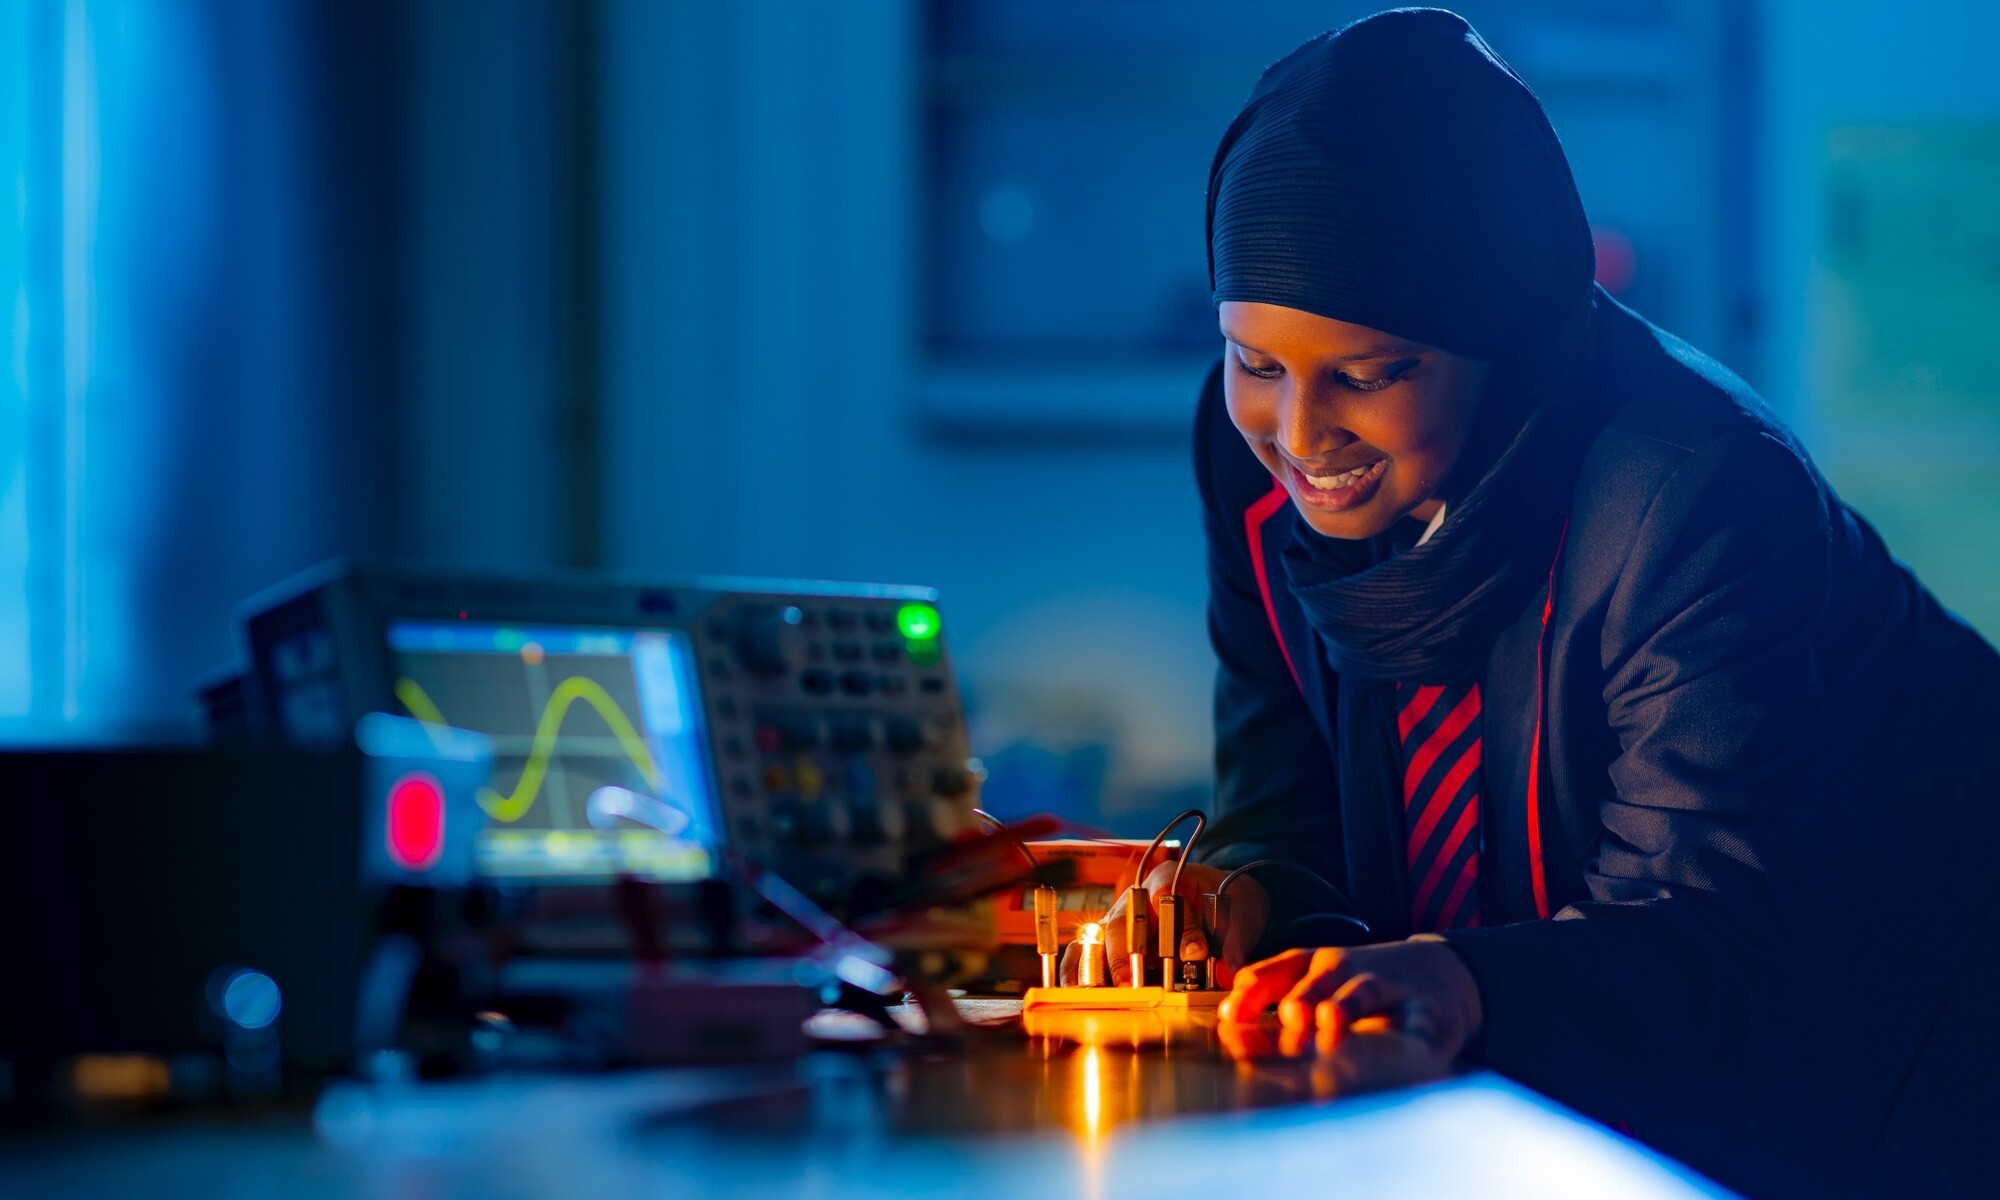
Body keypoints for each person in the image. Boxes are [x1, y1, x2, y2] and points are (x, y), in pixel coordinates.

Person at [1067, 10, 2000, 1197]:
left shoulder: (1688, 486)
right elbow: (1279, 799)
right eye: (1257, 363)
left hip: (1900, 1046)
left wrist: (1463, 981)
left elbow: (1712, 935)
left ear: (1500, 336)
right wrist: (1236, 903)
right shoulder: (1241, 459)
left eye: (1366, 373)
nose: (1299, 439)